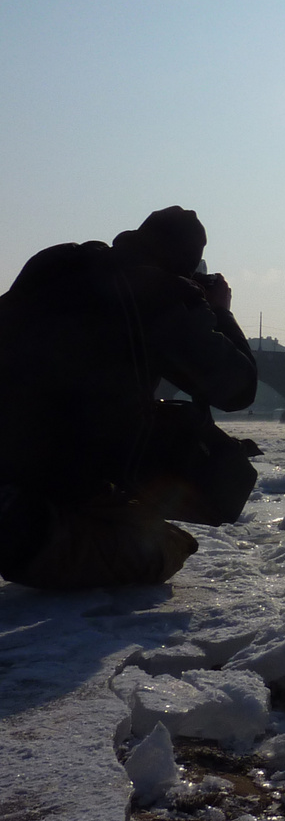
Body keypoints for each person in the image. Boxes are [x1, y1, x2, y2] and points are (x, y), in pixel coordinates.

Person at [0, 207, 260, 590]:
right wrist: (219, 313)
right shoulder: (157, 297)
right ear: (184, 266)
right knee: (166, 547)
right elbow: (238, 389)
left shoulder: (57, 266)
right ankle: (32, 532)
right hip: (41, 488)